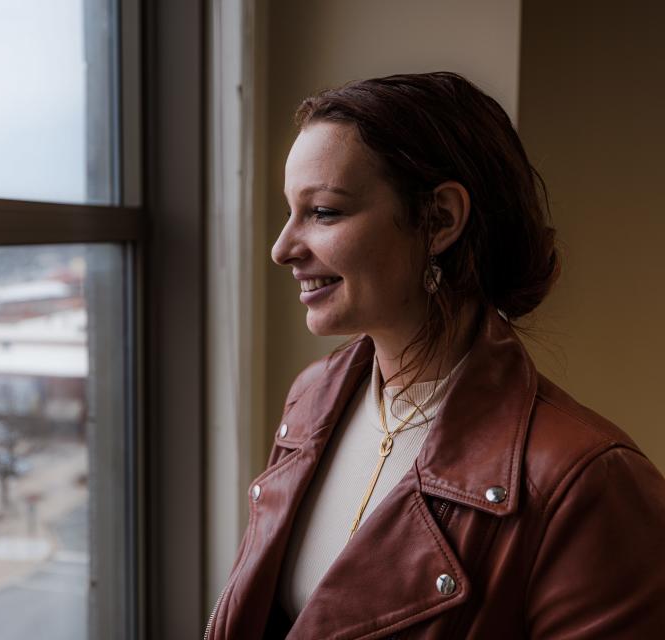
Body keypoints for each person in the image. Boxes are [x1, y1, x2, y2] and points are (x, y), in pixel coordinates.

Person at [204, 72, 665, 639]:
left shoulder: (585, 481)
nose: (282, 248)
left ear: (441, 219)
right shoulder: (312, 397)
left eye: (323, 212)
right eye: (289, 212)